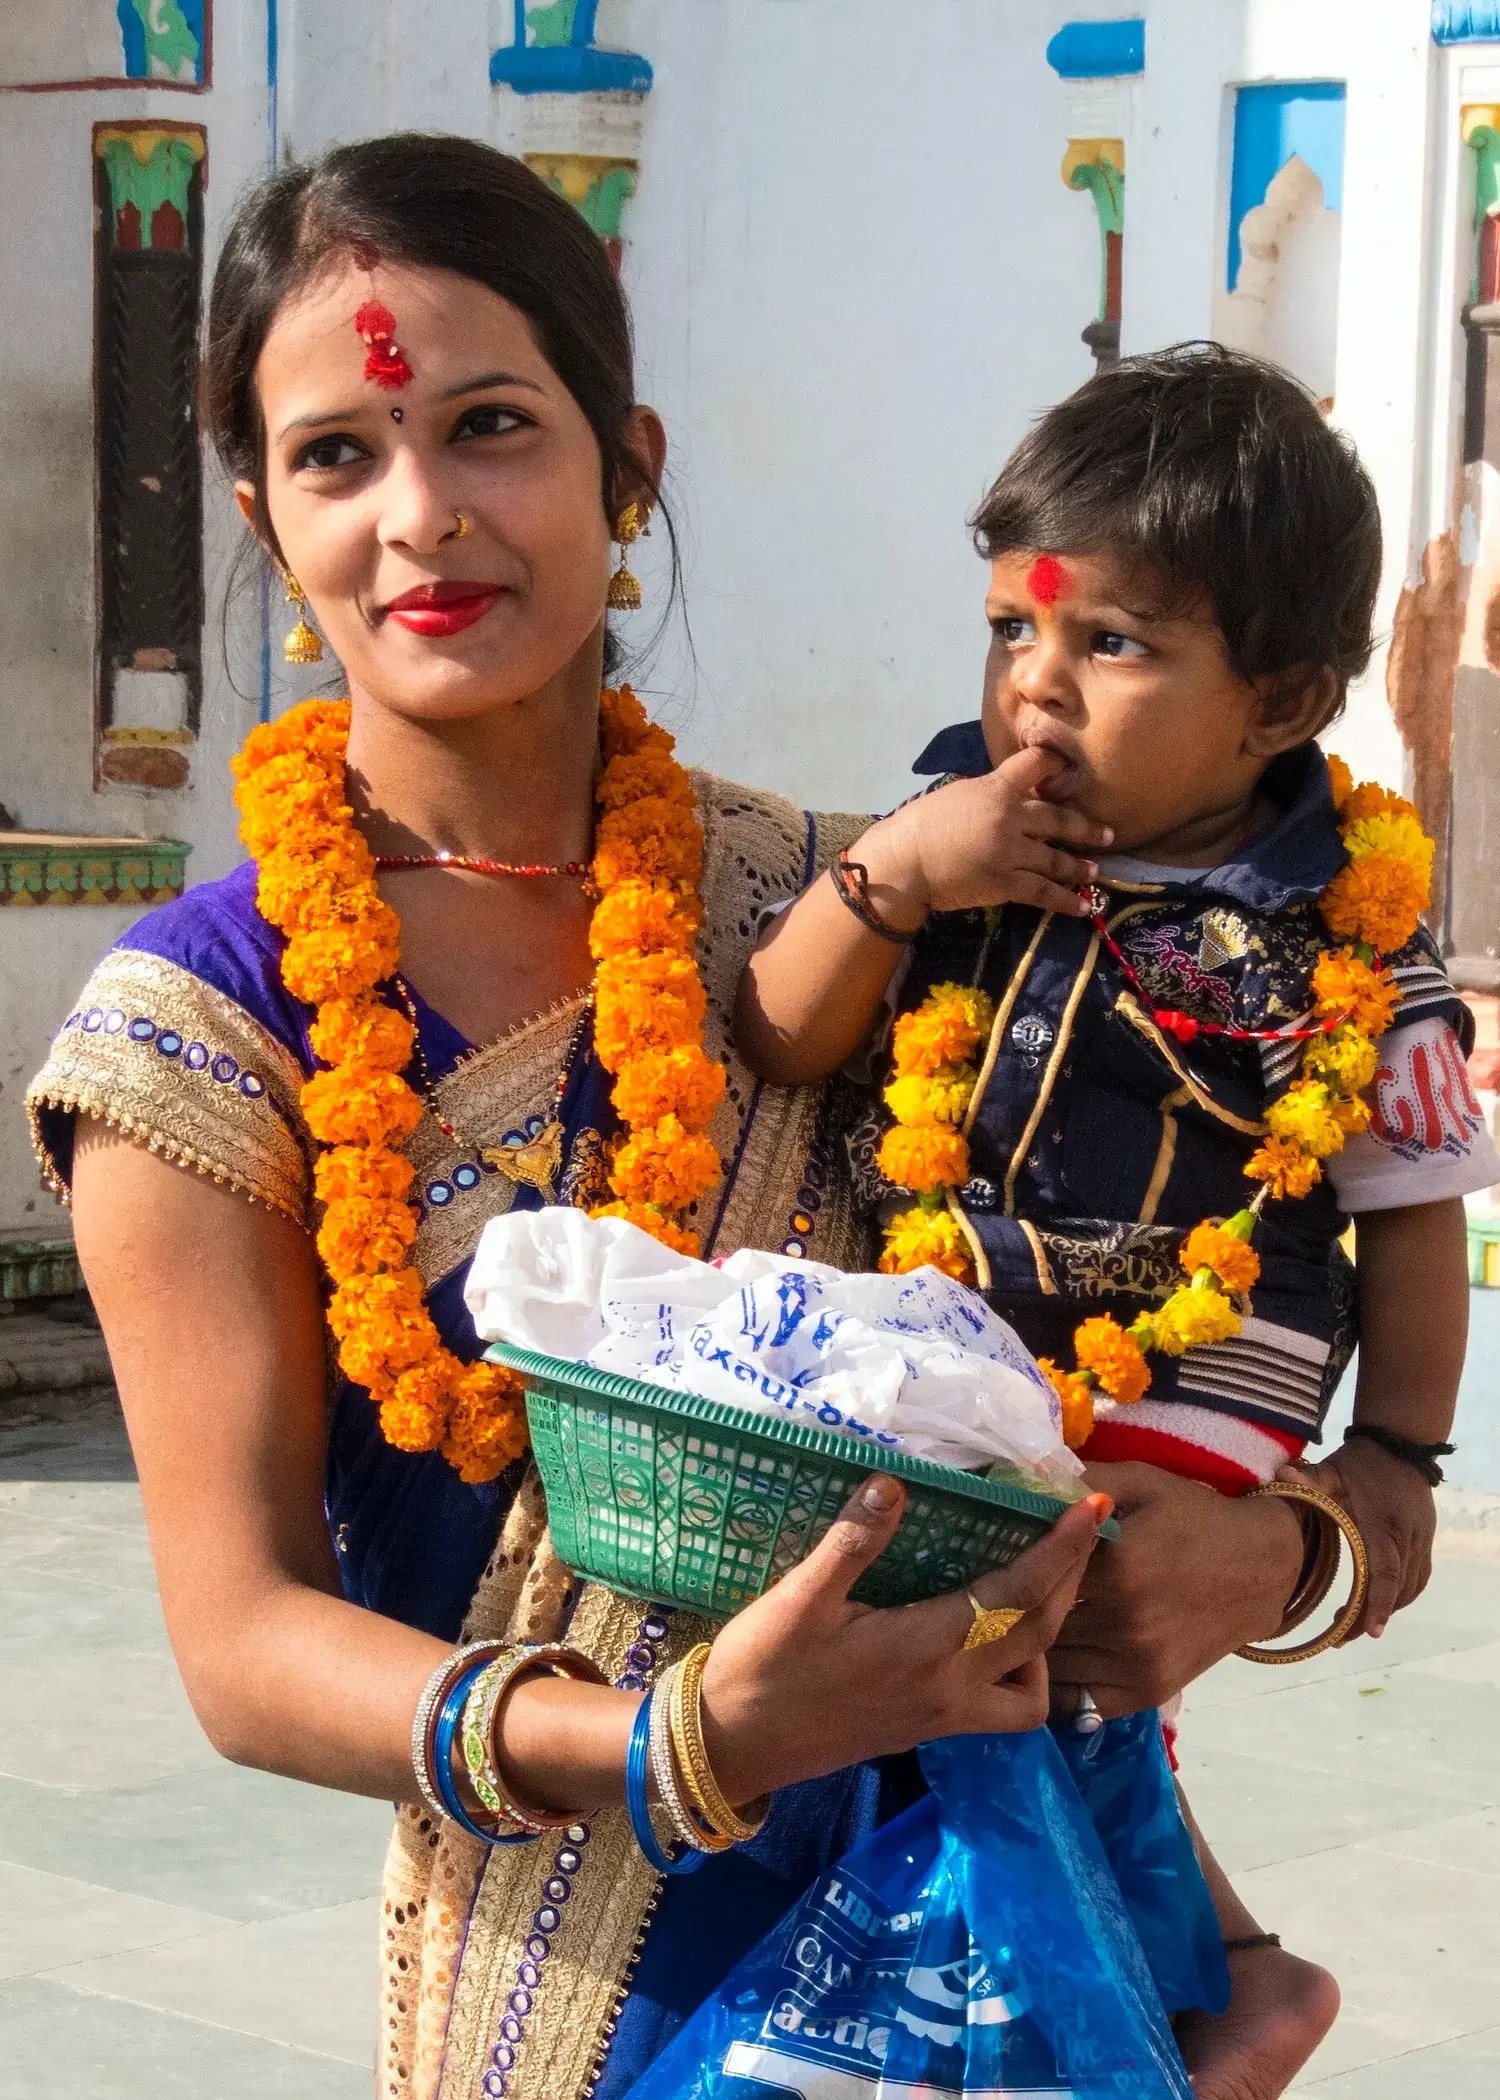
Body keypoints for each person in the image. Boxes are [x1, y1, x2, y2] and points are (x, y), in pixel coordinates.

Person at [28, 147, 1322, 2100]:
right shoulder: (210, 1026)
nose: (424, 518)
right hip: (572, 1991)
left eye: (489, 427)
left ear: (624, 461)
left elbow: (1179, 1238)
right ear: (261, 517)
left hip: (1002, 1940)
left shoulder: (862, 897)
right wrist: (671, 1740)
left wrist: (1306, 1541)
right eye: (336, 458)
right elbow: (242, 1642)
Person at [738, 342, 1493, 2095]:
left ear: (1285, 700)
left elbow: (1414, 1215)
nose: (1036, 692)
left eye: (1112, 644)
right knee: (985, 1691)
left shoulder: (1347, 937)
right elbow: (780, 1031)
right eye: (1014, 629)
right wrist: (891, 878)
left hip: (1199, 1373)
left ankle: (1126, 2028)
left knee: (1005, 1662)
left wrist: (1393, 1458)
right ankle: (1220, 1984)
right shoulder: (953, 830)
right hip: (957, 1337)